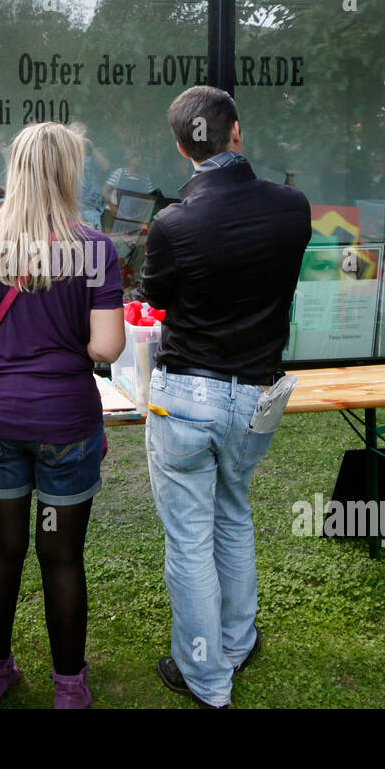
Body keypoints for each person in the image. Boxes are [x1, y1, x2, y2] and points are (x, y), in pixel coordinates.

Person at [0, 122, 124, 709]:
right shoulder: (93, 248)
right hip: (65, 420)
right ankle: (70, 686)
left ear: (14, 171)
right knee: (62, 556)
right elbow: (106, 348)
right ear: (69, 173)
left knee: (0, 548)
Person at [141, 85, 311, 709]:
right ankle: (236, 644)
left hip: (187, 390)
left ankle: (208, 677)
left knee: (190, 535)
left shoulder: (174, 222)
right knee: (233, 513)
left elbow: (157, 296)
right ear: (235, 132)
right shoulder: (292, 208)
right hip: (254, 393)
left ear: (183, 147)